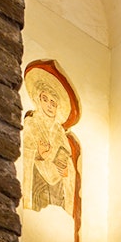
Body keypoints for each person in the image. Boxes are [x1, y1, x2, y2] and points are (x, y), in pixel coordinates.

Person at [22, 78, 74, 213]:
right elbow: (24, 151)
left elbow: (66, 160)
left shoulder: (59, 131)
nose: (49, 106)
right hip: (38, 180)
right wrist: (38, 154)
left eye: (53, 103)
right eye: (45, 99)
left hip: (57, 185)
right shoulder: (31, 123)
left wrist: (66, 171)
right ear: (38, 100)